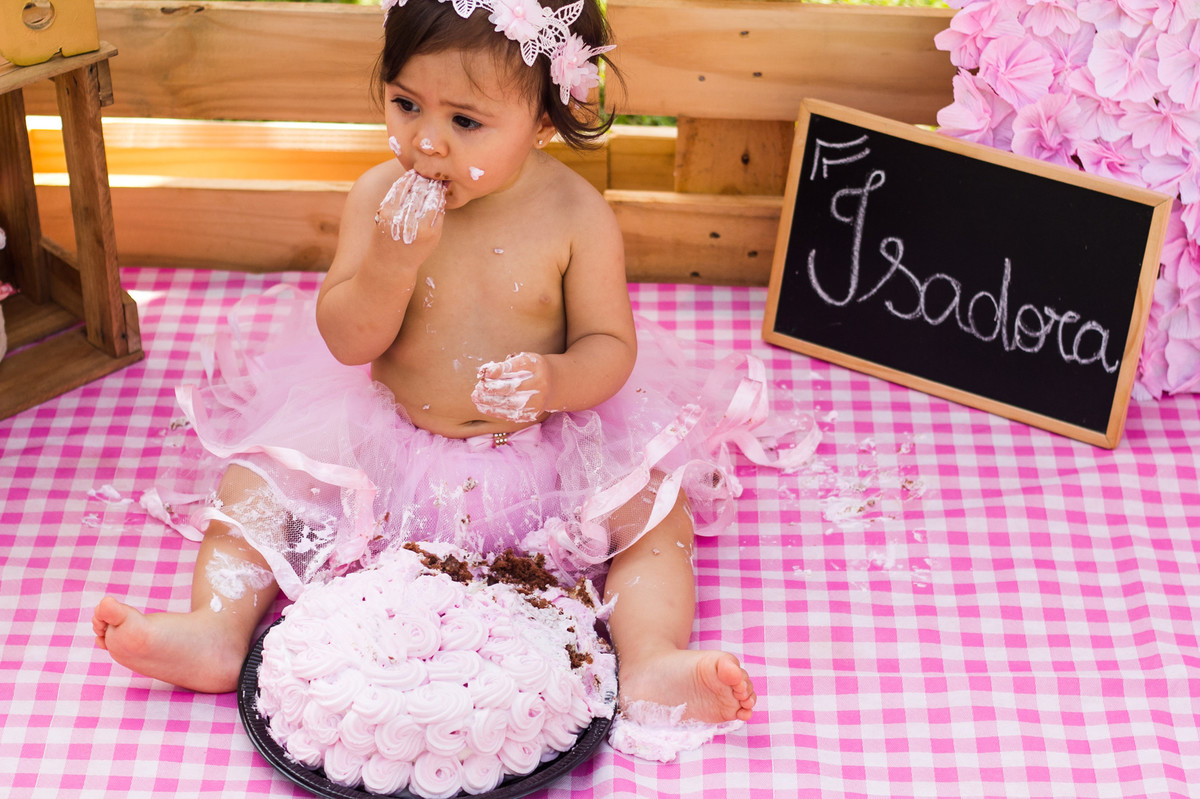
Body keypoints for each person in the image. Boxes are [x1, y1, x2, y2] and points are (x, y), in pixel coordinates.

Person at [92, 0, 795, 727]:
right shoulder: (375, 199)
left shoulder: (574, 214)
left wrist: (554, 381)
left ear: (543, 121)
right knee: (255, 486)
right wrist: (390, 266)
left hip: (542, 453)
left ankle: (650, 658)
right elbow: (348, 341)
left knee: (653, 512)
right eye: (405, 104)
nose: (426, 142)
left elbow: (610, 347)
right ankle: (216, 626)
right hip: (386, 447)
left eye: (465, 122)